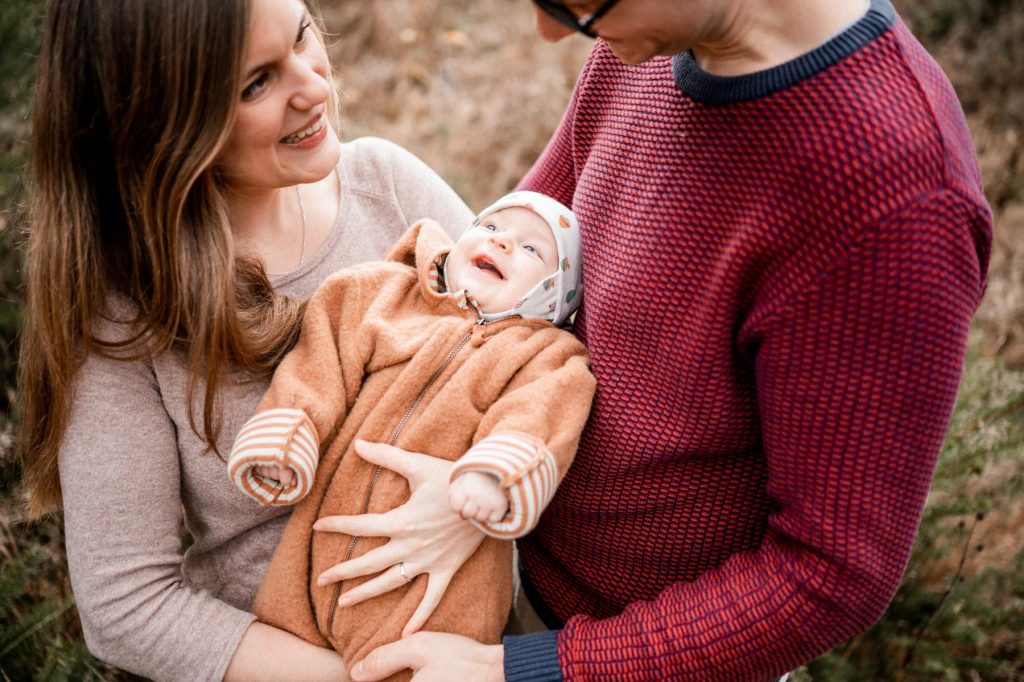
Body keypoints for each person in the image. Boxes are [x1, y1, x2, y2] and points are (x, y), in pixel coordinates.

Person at [308, 0, 995, 680]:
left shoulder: (895, 204)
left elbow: (827, 574)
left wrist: (526, 670)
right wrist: (460, 480)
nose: (551, 31)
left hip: (619, 653)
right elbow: (511, 283)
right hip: (495, 559)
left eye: (574, 0)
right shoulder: (647, 42)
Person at [17, 0, 480, 679]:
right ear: (160, 122)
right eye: (256, 83)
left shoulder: (389, 186)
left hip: (484, 632)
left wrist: (477, 489)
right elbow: (126, 603)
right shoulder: (124, 313)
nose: (315, 86)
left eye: (302, 36)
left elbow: (528, 351)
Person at [225, 192, 594, 672]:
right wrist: (289, 433)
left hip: (434, 597)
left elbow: (539, 414)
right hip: (315, 555)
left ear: (554, 295)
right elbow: (321, 363)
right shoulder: (382, 295)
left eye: (531, 250)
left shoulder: (543, 357)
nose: (503, 242)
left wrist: (495, 475)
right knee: (283, 642)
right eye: (492, 226)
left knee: (416, 664)